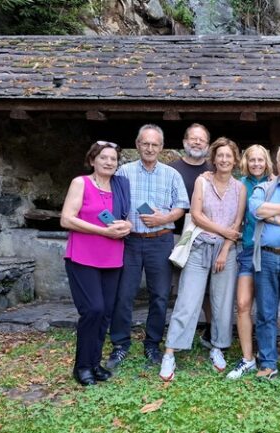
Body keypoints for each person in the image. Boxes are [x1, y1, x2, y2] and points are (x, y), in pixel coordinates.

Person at [159, 138, 246, 381]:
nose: (224, 160)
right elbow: (195, 215)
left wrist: (225, 247)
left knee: (221, 302)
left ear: (235, 160)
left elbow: (237, 223)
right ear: (214, 158)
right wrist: (224, 231)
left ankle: (217, 347)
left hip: (226, 251)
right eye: (220, 155)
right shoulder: (203, 181)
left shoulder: (240, 188)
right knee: (188, 299)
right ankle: (170, 352)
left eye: (229, 156)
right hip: (199, 246)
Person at [225, 145, 280, 379]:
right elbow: (255, 209)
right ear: (276, 163)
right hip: (265, 257)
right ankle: (267, 363)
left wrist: (271, 219)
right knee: (265, 313)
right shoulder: (263, 188)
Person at [106, 124, 188, 369]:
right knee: (124, 295)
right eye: (145, 143)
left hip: (160, 241)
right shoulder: (123, 172)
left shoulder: (171, 174)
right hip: (130, 242)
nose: (150, 148)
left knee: (160, 296)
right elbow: (112, 201)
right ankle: (120, 344)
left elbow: (181, 207)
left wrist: (163, 218)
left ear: (161, 147)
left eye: (155, 144)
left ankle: (152, 344)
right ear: (138, 144)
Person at [60, 141, 132, 385]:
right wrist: (102, 232)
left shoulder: (120, 186)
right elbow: (67, 219)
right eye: (104, 157)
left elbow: (125, 218)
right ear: (93, 160)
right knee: (93, 310)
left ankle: (94, 363)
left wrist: (127, 226)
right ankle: (81, 366)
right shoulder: (81, 183)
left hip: (112, 257)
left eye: (113, 159)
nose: (109, 162)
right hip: (83, 256)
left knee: (105, 314)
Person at [169, 123, 215, 348]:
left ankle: (209, 330)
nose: (197, 143)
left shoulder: (214, 171)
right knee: (182, 289)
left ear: (207, 145)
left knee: (207, 289)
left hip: (207, 237)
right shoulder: (171, 169)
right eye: (193, 139)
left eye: (202, 140)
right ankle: (179, 334)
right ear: (185, 141)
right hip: (179, 236)